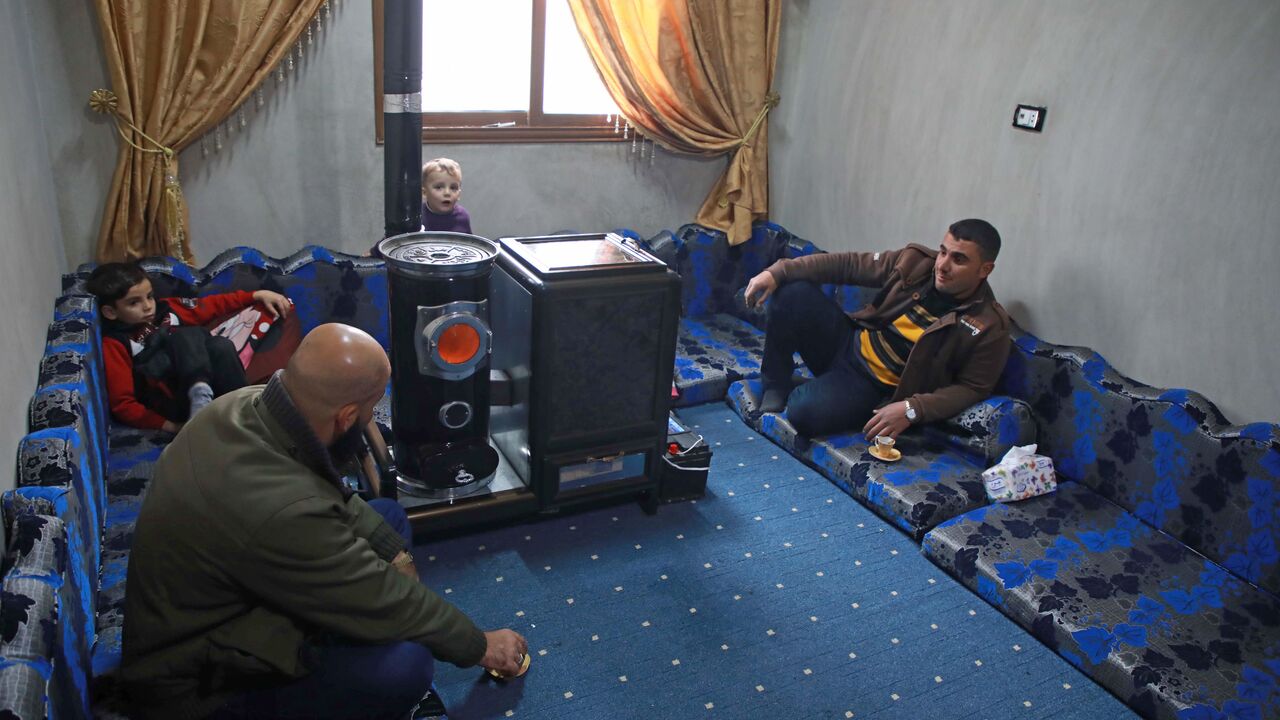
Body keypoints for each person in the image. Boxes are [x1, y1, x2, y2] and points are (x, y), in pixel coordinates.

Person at [120, 323, 527, 719]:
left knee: (387, 519)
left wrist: (396, 558)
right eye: (370, 410)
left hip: (237, 595)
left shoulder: (241, 405)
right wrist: (480, 646)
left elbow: (328, 494)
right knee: (408, 666)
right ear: (347, 417)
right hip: (200, 681)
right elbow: (379, 593)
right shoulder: (286, 511)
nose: (373, 419)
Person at [743, 218, 1011, 441]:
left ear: (985, 269)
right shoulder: (916, 263)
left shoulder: (988, 325)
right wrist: (778, 271)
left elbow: (973, 388)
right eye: (943, 251)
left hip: (872, 386)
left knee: (803, 413)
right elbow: (848, 265)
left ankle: (818, 391)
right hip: (848, 342)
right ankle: (776, 384)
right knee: (791, 292)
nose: (942, 265)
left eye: (959, 259)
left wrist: (912, 409)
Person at [87, 262, 292, 433]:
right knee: (184, 334)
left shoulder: (168, 310)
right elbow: (123, 404)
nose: (148, 306)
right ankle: (200, 395)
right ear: (111, 312)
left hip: (211, 390)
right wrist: (171, 426)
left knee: (220, 345)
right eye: (134, 303)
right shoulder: (115, 343)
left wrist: (256, 295)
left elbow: (212, 305)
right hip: (174, 399)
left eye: (149, 296)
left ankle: (246, 412)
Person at [420, 157, 472, 234]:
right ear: (424, 193)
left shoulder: (463, 217)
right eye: (439, 187)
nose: (447, 193)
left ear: (459, 194)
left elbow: (468, 244)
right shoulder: (417, 216)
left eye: (453, 188)